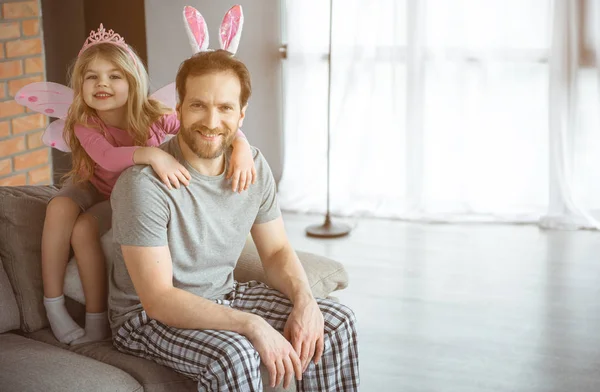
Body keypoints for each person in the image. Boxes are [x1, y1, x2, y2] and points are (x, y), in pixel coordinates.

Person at [109, 49, 360, 391]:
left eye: (225, 107)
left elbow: (275, 252)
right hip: (145, 319)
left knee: (335, 321)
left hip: (224, 294)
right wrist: (252, 324)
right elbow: (159, 299)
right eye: (198, 105)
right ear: (179, 109)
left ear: (241, 115)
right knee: (237, 353)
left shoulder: (252, 166)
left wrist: (305, 301)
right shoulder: (143, 186)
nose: (211, 121)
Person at [41, 25, 256, 345]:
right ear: (80, 85)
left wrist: (241, 146)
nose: (102, 83)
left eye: (115, 76)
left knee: (85, 229)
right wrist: (154, 155)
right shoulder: (85, 121)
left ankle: (97, 318)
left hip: (127, 197)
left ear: (133, 80)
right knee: (59, 206)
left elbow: (203, 124)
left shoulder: (152, 114)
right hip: (96, 183)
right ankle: (53, 304)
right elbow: (108, 157)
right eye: (92, 77)